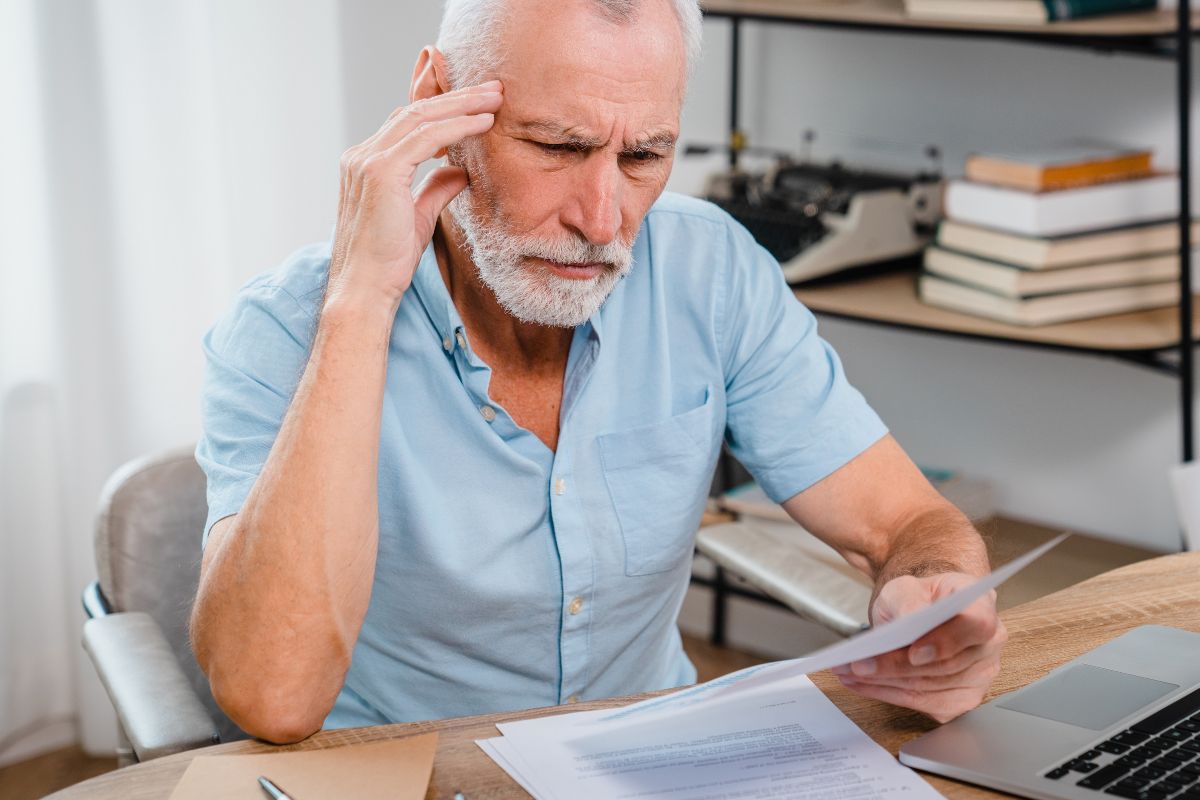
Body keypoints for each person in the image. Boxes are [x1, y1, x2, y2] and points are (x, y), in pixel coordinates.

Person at [190, 0, 1005, 744]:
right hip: (402, 774)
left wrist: (936, 599)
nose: (603, 218)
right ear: (436, 101)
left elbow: (907, 523)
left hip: (648, 758)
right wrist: (362, 301)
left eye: (644, 155)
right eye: (558, 146)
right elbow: (272, 697)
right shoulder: (286, 327)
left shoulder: (711, 270)